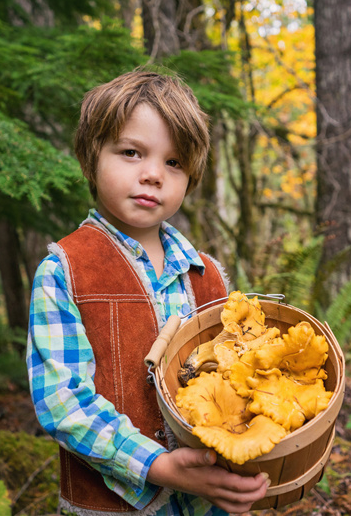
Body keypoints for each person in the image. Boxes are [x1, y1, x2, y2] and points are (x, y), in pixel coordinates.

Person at [26, 69, 270, 516]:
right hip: (113, 505)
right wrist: (156, 464)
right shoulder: (65, 271)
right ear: (91, 157)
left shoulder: (208, 275)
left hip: (206, 503)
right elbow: (63, 402)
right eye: (132, 152)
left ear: (190, 175)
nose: (153, 174)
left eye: (173, 162)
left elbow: (238, 377)